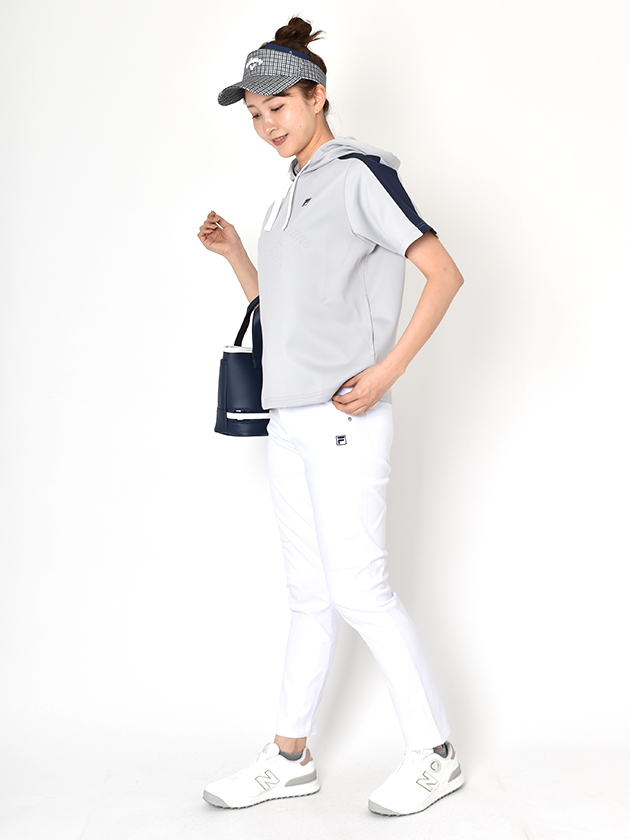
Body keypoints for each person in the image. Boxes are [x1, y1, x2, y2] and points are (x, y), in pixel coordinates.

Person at [198, 18, 465, 817]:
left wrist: (387, 370)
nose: (266, 124)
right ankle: (290, 757)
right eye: (254, 113)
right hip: (290, 419)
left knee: (360, 590)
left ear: (318, 96)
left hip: (345, 417)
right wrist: (238, 256)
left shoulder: (358, 176)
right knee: (310, 594)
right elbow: (287, 315)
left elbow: (444, 273)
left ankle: (435, 754)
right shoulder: (290, 195)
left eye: (278, 106)